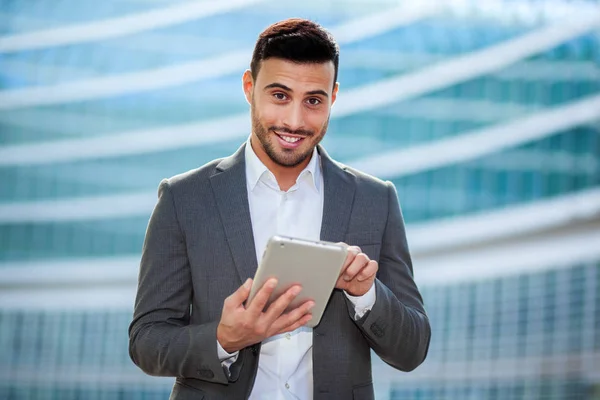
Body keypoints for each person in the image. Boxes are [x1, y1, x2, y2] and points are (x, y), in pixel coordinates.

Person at [128, 18, 431, 400]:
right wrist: (225, 338)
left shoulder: (375, 200)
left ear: (333, 97)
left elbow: (413, 349)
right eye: (280, 95)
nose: (295, 121)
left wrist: (366, 294)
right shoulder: (183, 199)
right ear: (249, 88)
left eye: (314, 101)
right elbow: (146, 341)